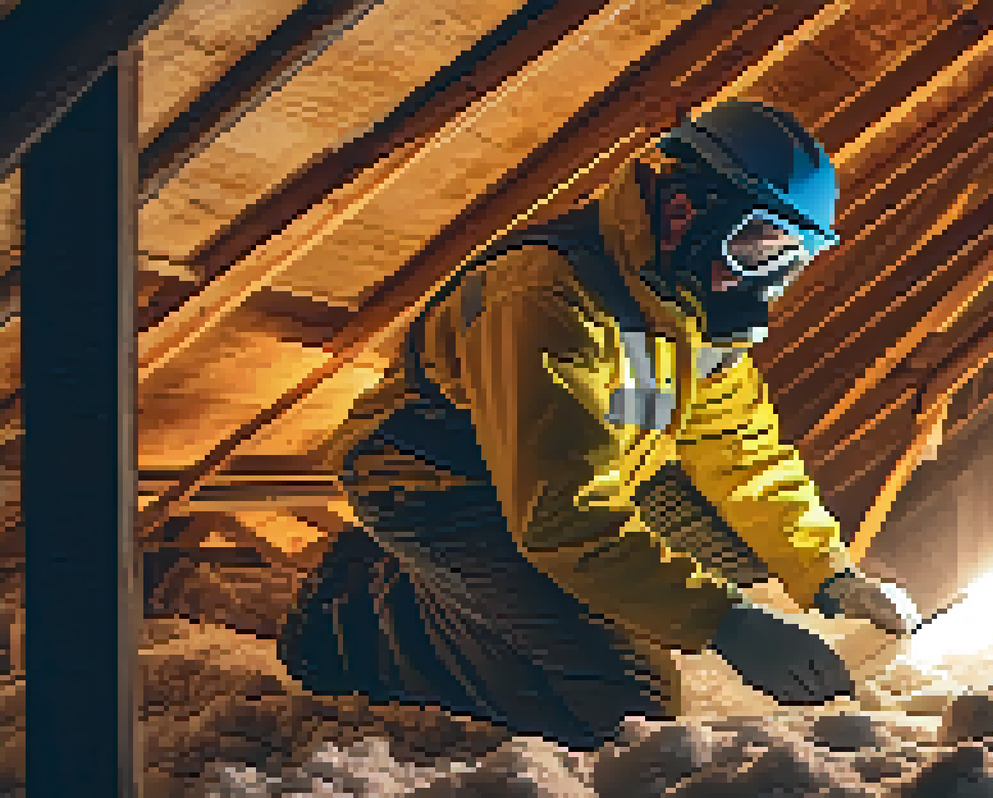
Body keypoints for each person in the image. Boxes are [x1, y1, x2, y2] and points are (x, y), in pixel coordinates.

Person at [278, 100, 922, 750]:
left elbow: (744, 455)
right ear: (684, 210)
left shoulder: (689, 300)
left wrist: (830, 573)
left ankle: (459, 593)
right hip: (434, 489)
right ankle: (360, 622)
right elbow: (564, 517)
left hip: (567, 475)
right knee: (624, 704)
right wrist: (723, 622)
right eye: (756, 246)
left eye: (789, 258)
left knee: (749, 564)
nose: (763, 278)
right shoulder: (547, 298)